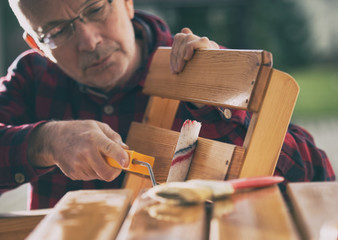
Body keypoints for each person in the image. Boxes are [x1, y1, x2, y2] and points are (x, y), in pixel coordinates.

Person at [0, 0, 335, 209]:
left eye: (96, 9)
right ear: (37, 44)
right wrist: (45, 142)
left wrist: (217, 104)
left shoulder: (190, 65)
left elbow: (318, 180)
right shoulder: (31, 77)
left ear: (127, 2)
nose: (90, 41)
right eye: (58, 31)